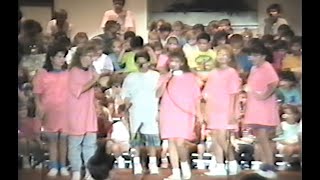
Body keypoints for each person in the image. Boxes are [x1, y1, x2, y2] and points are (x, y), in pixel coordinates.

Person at [157, 52, 203, 180]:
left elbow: (197, 97)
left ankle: (185, 165)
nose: (173, 64)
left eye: (176, 61)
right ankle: (176, 172)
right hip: (168, 111)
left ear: (182, 62)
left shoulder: (191, 77)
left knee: (181, 142)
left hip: (184, 112)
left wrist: (199, 114)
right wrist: (166, 79)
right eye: (171, 61)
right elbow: (157, 94)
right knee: (171, 141)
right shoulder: (166, 77)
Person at [243, 40, 280, 179]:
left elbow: (273, 83)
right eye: (251, 55)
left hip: (264, 107)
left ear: (262, 56)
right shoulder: (254, 69)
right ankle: (265, 164)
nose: (251, 58)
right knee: (259, 137)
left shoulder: (267, 66)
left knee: (264, 138)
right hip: (255, 106)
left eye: (254, 55)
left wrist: (263, 95)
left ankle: (270, 166)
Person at [203, 45, 241, 176]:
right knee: (215, 137)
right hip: (213, 108)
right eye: (220, 54)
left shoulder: (232, 72)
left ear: (230, 57)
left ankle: (232, 161)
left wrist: (232, 112)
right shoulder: (213, 72)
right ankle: (220, 165)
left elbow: (234, 94)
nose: (222, 57)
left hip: (226, 108)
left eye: (225, 54)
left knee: (222, 137)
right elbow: (206, 92)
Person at [121, 51, 161, 175]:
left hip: (151, 110)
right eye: (138, 63)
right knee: (136, 139)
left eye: (143, 63)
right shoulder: (130, 77)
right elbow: (126, 96)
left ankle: (153, 163)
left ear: (148, 62)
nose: (141, 65)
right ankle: (137, 163)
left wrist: (159, 109)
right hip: (136, 111)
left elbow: (161, 94)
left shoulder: (156, 76)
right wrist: (126, 110)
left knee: (152, 138)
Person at [65, 42, 101, 180]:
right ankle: (75, 170)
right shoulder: (73, 71)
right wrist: (94, 80)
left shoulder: (90, 71)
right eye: (89, 56)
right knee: (75, 144)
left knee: (90, 144)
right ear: (80, 56)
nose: (91, 59)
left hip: (89, 113)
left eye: (93, 56)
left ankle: (89, 171)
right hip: (76, 113)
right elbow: (78, 91)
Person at [32, 45, 69, 177]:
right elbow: (37, 92)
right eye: (59, 56)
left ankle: (63, 165)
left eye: (63, 57)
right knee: (52, 140)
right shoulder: (42, 73)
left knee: (63, 139)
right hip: (49, 110)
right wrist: (39, 106)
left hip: (65, 110)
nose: (62, 59)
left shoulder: (68, 73)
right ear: (52, 58)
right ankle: (53, 165)